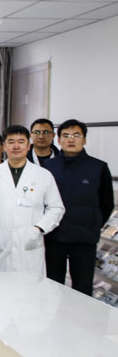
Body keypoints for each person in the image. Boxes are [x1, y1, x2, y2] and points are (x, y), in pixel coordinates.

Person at [43, 119, 114, 295]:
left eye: (76, 135)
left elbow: (107, 203)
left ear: (84, 139)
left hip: (84, 238)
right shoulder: (48, 167)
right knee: (52, 285)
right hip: (54, 237)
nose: (71, 139)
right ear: (59, 140)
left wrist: (92, 224)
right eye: (66, 135)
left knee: (83, 287)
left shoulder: (98, 167)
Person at [0, 125, 64, 275]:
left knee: (30, 286)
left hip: (29, 242)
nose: (16, 146)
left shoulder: (43, 175)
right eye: (11, 142)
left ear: (28, 146)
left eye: (21, 142)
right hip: (0, 242)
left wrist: (39, 228)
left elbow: (56, 208)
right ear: (4, 146)